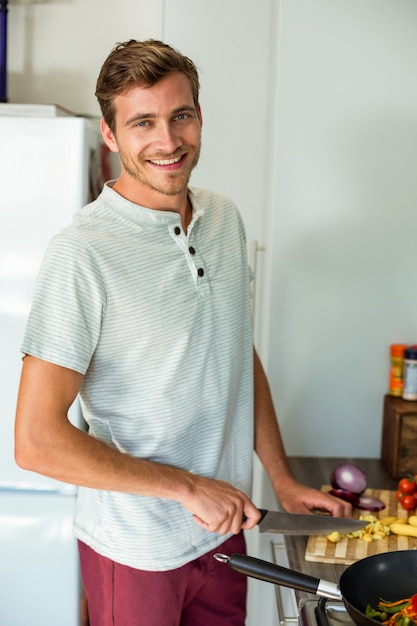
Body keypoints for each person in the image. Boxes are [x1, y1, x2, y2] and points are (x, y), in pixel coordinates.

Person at [14, 39, 351, 626]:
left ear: (199, 116)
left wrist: (281, 479)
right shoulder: (82, 253)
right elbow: (36, 440)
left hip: (225, 534)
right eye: (143, 122)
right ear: (112, 136)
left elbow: (233, 353)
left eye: (181, 115)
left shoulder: (224, 219)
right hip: (136, 548)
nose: (168, 141)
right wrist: (188, 487)